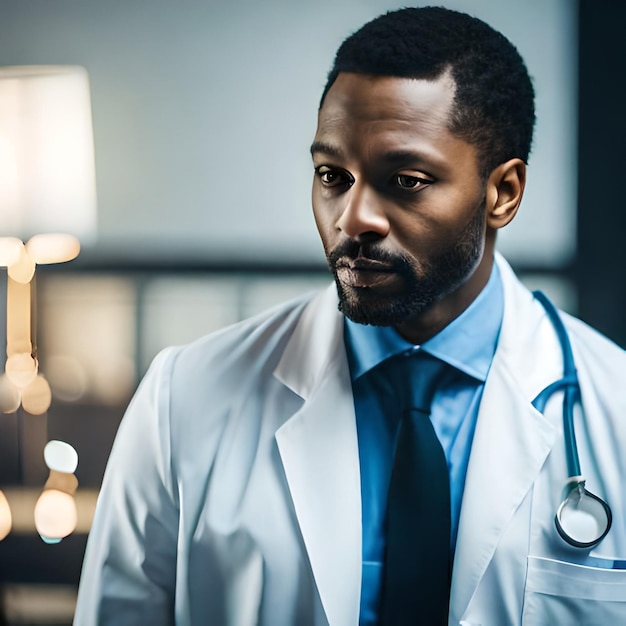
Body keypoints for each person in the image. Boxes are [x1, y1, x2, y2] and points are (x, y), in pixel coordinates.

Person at [74, 6, 626, 625]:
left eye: (406, 180)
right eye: (333, 175)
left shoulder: (618, 410)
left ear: (503, 194)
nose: (353, 217)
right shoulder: (182, 400)